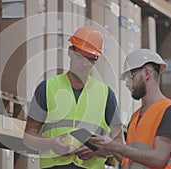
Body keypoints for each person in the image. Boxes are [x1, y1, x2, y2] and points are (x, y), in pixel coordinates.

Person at [23, 26, 123, 169]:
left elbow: (119, 144)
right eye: (80, 56)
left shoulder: (106, 94)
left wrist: (98, 150)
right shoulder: (47, 88)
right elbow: (28, 137)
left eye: (91, 59)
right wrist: (51, 144)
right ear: (70, 52)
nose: (84, 63)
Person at [89, 49, 171, 168]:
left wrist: (117, 146)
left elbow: (158, 159)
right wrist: (106, 146)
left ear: (147, 73)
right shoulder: (136, 116)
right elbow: (131, 161)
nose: (127, 84)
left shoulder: (169, 111)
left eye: (130, 76)